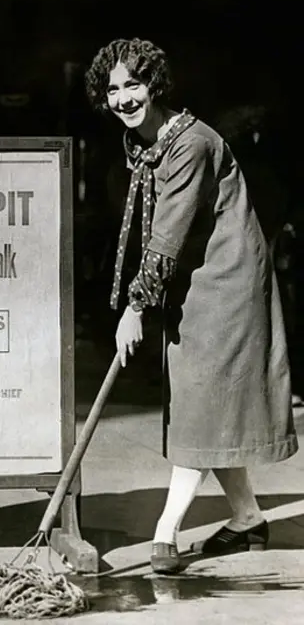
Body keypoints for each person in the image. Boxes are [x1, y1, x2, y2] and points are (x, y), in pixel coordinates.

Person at [84, 38, 298, 574]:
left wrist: (135, 306)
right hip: (195, 281)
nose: (124, 98)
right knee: (204, 406)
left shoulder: (189, 144)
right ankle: (248, 520)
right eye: (113, 89)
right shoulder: (146, 142)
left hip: (226, 282)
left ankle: (165, 534)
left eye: (133, 84)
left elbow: (168, 233)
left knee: (200, 405)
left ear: (154, 83)